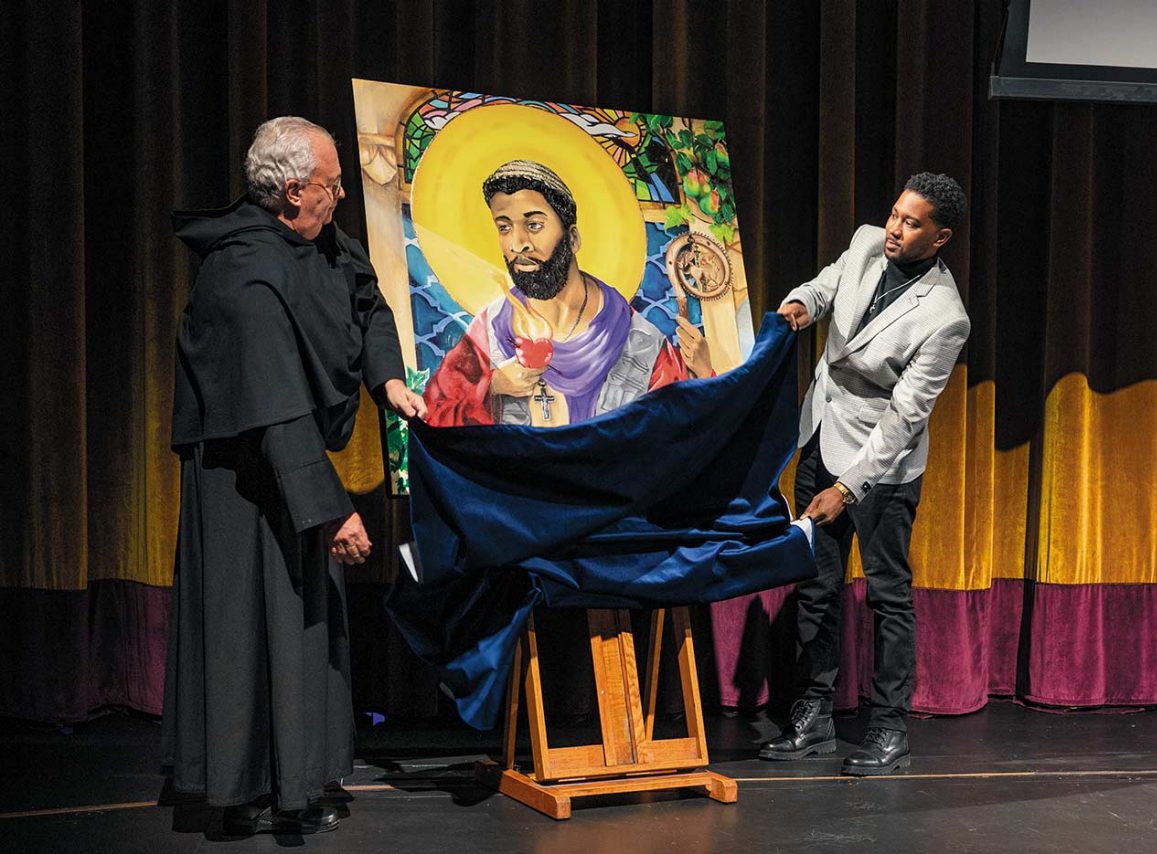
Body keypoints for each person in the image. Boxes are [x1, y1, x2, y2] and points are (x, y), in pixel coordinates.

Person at [162, 116, 427, 834]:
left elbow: (369, 302)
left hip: (297, 457)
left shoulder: (321, 242)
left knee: (301, 624)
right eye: (330, 185)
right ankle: (237, 791)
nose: (340, 196)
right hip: (241, 478)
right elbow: (275, 405)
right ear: (289, 192)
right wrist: (332, 510)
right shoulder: (242, 273)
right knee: (247, 628)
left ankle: (297, 781)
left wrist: (387, 381)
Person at [759, 173, 971, 775]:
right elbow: (827, 286)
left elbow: (905, 417)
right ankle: (814, 716)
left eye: (911, 223)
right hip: (822, 434)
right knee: (816, 585)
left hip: (882, 469)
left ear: (940, 237)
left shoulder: (945, 317)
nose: (894, 229)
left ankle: (889, 728)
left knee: (887, 596)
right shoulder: (865, 241)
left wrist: (847, 487)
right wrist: (802, 305)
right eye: (894, 214)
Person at [424, 159, 712, 427]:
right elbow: (432, 416)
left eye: (534, 225)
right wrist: (493, 386)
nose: (517, 243)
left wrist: (704, 373)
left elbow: (685, 431)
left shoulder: (640, 341)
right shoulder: (489, 331)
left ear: (572, 238)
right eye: (504, 227)